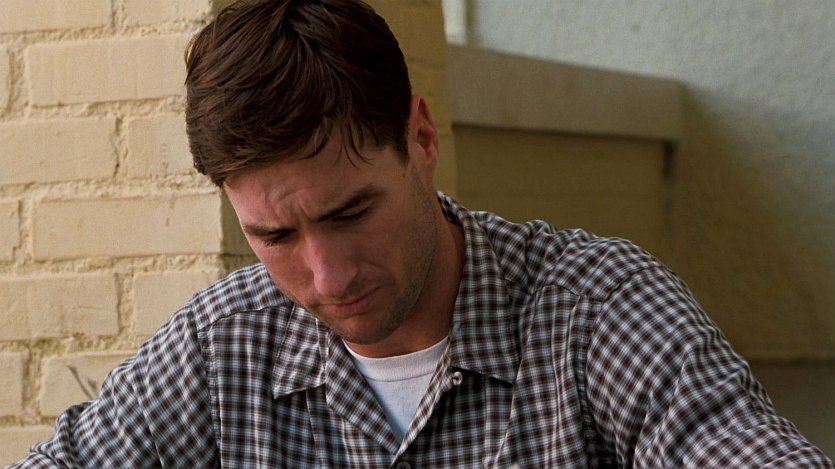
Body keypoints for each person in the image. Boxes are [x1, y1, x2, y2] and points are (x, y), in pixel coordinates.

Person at [8, 0, 833, 467]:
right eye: (275, 235)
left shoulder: (596, 309)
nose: (327, 276)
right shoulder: (221, 345)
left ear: (422, 138)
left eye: (350, 213)